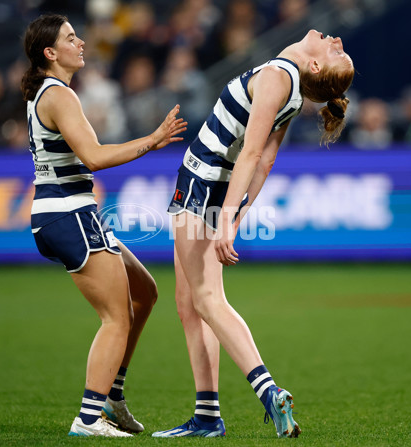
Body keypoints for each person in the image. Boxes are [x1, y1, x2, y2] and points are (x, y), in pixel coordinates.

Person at [156, 29, 354, 438]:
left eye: (336, 49)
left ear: (315, 64)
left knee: (207, 300)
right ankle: (207, 415)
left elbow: (251, 152)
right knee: (188, 303)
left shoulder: (279, 74)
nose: (333, 37)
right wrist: (237, 216)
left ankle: (268, 391)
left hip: (201, 180)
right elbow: (265, 161)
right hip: (217, 186)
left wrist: (229, 219)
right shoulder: (293, 87)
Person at [20, 14, 186, 438]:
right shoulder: (58, 95)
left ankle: (112, 395)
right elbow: (93, 157)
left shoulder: (52, 93)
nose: (81, 43)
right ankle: (90, 417)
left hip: (69, 214)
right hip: (69, 214)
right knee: (116, 318)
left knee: (145, 293)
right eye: (70, 38)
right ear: (50, 53)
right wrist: (152, 139)